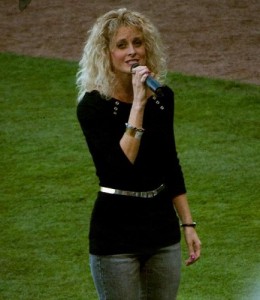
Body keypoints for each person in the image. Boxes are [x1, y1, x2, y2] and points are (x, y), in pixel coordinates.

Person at [76, 8, 201, 300]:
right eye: (121, 45)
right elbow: (119, 170)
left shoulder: (162, 98)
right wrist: (138, 105)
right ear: (106, 53)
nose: (132, 52)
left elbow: (170, 163)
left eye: (138, 43)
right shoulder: (92, 107)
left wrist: (188, 224)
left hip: (161, 231)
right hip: (115, 237)